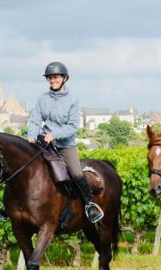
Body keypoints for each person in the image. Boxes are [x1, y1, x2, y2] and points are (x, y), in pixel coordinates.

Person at [26, 61, 103, 223]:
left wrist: (55, 135)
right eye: (49, 78)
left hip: (65, 145)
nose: (52, 80)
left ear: (64, 78)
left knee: (75, 173)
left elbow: (73, 126)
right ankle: (12, 205)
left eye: (55, 77)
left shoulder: (73, 100)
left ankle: (90, 204)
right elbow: (34, 121)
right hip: (44, 144)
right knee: (26, 167)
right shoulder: (42, 99)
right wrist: (31, 136)